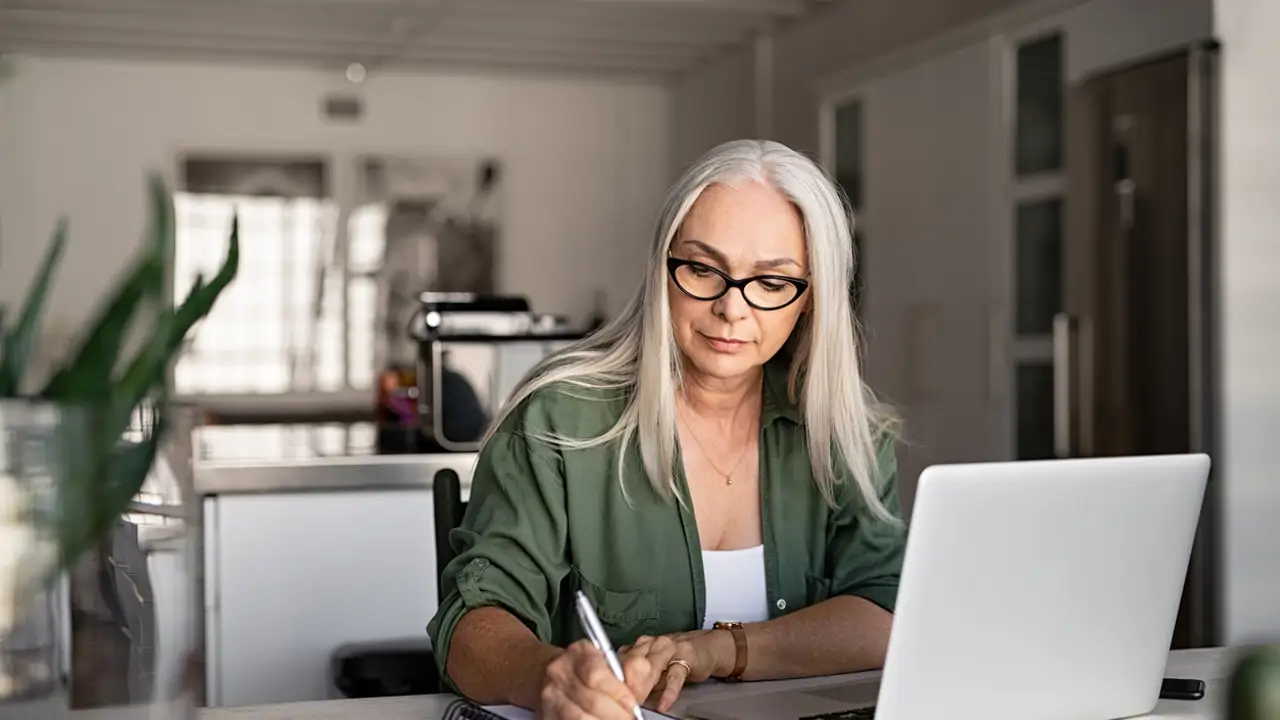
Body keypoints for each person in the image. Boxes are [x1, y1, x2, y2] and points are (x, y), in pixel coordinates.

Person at [427, 139, 907, 719]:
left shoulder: (845, 431)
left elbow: (885, 611)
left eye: (772, 283)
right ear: (663, 268)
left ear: (811, 298)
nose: (733, 309)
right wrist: (545, 678)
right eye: (704, 269)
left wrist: (714, 649)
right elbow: (471, 625)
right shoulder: (557, 419)